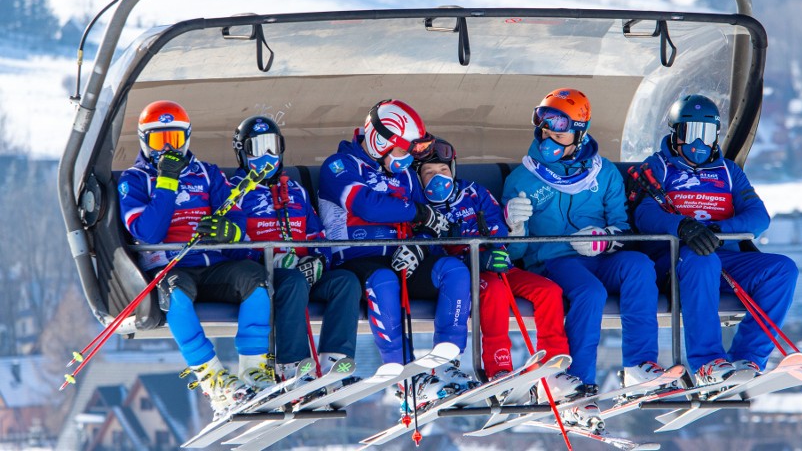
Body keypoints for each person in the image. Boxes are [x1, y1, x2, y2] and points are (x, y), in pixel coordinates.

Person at [501, 88, 663, 428]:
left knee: (639, 266)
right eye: (545, 130)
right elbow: (515, 254)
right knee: (590, 292)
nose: (549, 138)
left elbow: (622, 225)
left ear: (579, 131)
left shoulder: (603, 174)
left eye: (558, 132)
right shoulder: (523, 178)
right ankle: (578, 384)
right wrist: (514, 228)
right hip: (553, 261)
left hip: (598, 256)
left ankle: (639, 364)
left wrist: (602, 241)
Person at [118, 101, 273, 419]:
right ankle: (214, 380)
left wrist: (226, 230)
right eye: (160, 141)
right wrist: (167, 182)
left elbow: (236, 218)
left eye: (174, 140)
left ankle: (254, 371)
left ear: (187, 138)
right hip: (172, 265)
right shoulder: (134, 180)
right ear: (145, 141)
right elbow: (148, 231)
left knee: (256, 280)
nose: (168, 149)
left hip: (212, 264)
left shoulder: (207, 173)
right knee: (176, 298)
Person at [317, 99, 476, 409]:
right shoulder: (339, 166)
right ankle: (404, 376)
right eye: (403, 151)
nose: (406, 161)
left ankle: (446, 363)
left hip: (402, 255)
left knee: (454, 271)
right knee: (384, 280)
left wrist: (419, 244)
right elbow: (365, 205)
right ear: (379, 141)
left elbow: (428, 219)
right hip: (356, 257)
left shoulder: (401, 174)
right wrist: (417, 213)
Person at [633, 94, 798, 385]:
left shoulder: (729, 173)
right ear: (675, 134)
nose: (698, 144)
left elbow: (759, 217)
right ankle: (707, 363)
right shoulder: (658, 167)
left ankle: (749, 359)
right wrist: (683, 227)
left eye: (706, 135)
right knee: (702, 260)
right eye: (690, 133)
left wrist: (718, 233)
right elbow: (644, 214)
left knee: (782, 269)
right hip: (675, 259)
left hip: (722, 255)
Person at [414, 137, 578, 400]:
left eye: (443, 171)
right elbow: (428, 250)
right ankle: (499, 368)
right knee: (495, 290)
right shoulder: (419, 207)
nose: (438, 179)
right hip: (465, 275)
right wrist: (474, 261)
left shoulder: (472, 193)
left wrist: (498, 247)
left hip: (497, 266)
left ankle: (552, 368)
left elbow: (495, 223)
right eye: (429, 173)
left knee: (548, 291)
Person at [230, 115, 362, 390]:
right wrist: (270, 260)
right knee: (292, 282)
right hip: (266, 276)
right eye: (258, 148)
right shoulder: (235, 191)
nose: (268, 155)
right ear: (243, 152)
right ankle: (292, 365)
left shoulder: (296, 191)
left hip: (303, 271)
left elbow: (318, 236)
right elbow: (233, 243)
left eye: (273, 146)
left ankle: (334, 362)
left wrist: (318, 261)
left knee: (346, 282)